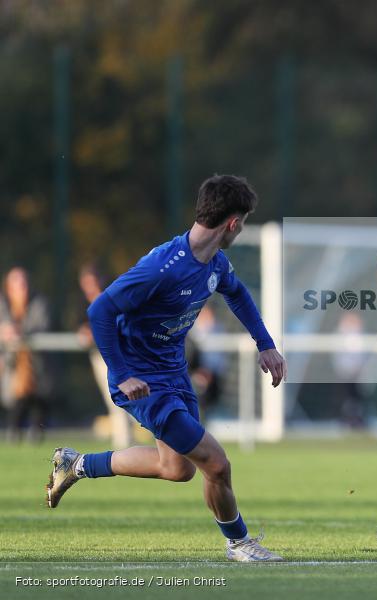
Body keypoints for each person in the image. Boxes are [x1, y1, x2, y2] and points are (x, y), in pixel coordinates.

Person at [46, 175, 288, 561]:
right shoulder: (163, 266)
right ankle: (240, 543)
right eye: (243, 221)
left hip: (174, 374)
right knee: (216, 463)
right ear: (232, 223)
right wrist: (124, 374)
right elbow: (100, 311)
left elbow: (237, 294)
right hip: (144, 381)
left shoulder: (215, 263)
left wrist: (266, 345)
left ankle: (76, 464)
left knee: (176, 468)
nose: (241, 229)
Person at [76, 263, 134, 449]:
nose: (90, 288)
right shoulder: (84, 303)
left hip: (119, 354)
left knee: (126, 396)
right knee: (114, 399)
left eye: (92, 282)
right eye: (86, 284)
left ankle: (127, 441)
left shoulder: (112, 296)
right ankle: (123, 441)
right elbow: (80, 325)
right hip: (99, 356)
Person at [0, 267, 51, 443]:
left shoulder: (38, 302)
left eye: (24, 282)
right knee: (15, 402)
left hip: (36, 365)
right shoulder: (3, 305)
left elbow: (43, 325)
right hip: (11, 365)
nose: (22, 287)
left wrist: (21, 332)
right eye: (17, 283)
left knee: (38, 402)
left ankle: (35, 437)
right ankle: (13, 436)